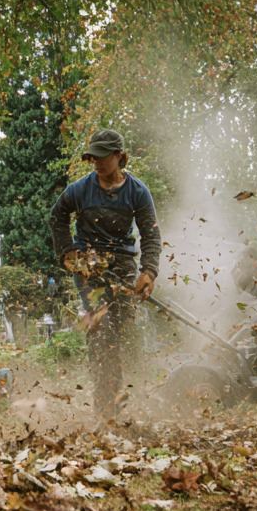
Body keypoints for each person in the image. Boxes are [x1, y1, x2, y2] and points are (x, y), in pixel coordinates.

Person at [49, 129, 161, 419]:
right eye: (92, 157)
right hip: (88, 267)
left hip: (123, 266)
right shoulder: (80, 189)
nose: (97, 162)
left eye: (102, 157)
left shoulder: (137, 192)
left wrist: (148, 271)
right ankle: (104, 410)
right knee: (102, 330)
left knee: (119, 335)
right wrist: (67, 253)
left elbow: (150, 234)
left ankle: (117, 400)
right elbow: (57, 216)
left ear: (118, 156)